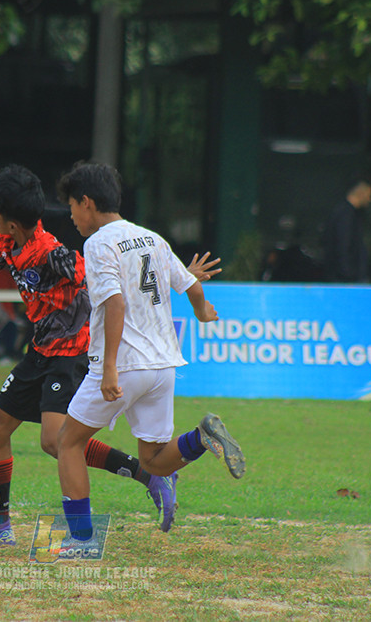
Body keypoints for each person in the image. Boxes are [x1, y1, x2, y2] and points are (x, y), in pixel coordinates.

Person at [0, 164, 220, 546]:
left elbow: (116, 285)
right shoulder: (4, 242)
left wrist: (175, 279)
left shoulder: (55, 254)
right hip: (40, 351)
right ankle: (0, 526)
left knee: (58, 441)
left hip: (72, 355)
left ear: (10, 220)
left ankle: (129, 492)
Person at [55, 162, 245, 542]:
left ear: (87, 202)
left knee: (67, 442)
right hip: (163, 366)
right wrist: (202, 310)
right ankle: (201, 437)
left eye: (72, 206)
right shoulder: (152, 238)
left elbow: (115, 304)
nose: (72, 216)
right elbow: (189, 282)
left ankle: (80, 540)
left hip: (125, 365)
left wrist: (108, 369)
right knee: (153, 462)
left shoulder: (98, 243)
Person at [321, 179, 371, 283]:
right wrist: (347, 273)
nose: (369, 199)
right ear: (360, 194)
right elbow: (343, 244)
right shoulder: (346, 215)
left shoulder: (345, 213)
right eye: (368, 195)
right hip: (346, 276)